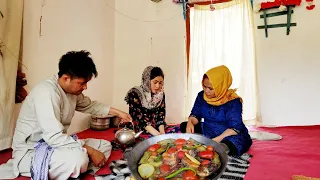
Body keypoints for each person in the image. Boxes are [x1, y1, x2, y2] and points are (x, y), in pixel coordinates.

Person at [0, 50, 132, 179]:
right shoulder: (46, 93)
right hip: (32, 150)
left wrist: (118, 112)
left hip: (57, 144)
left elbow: (90, 105)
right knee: (78, 159)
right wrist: (90, 151)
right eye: (82, 83)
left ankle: (78, 168)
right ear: (66, 78)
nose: (85, 87)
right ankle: (79, 166)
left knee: (104, 145)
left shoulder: (71, 92)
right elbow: (53, 136)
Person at [180, 65, 252, 156]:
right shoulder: (201, 96)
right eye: (204, 86)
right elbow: (195, 114)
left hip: (228, 134)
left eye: (211, 88)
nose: (206, 91)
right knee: (184, 125)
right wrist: (190, 122)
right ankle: (212, 146)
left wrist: (216, 140)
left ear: (221, 86)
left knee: (237, 141)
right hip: (208, 129)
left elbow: (235, 128)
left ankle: (222, 148)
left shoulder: (233, 101)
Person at [124, 66, 171, 137]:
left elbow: (161, 116)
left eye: (160, 83)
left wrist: (162, 132)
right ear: (147, 81)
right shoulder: (135, 94)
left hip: (156, 129)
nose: (158, 86)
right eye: (155, 82)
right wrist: (158, 135)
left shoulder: (160, 94)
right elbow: (140, 120)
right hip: (139, 130)